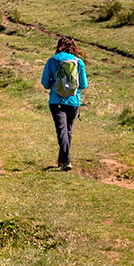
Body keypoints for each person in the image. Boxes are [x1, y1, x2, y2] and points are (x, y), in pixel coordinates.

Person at [41, 37, 88, 171]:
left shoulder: (52, 61)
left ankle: (66, 160)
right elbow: (84, 84)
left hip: (56, 101)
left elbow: (44, 83)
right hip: (74, 101)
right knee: (67, 130)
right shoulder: (79, 62)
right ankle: (63, 160)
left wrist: (54, 84)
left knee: (62, 130)